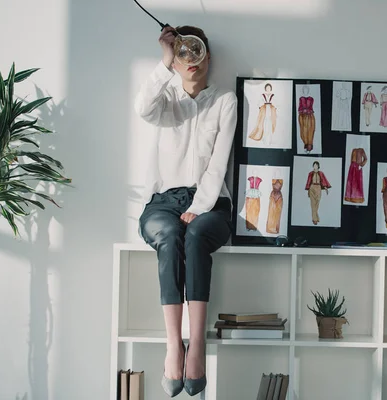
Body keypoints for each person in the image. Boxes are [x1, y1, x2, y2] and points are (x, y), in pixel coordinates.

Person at [134, 25, 237, 397]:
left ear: (207, 56)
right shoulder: (166, 101)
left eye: (196, 52)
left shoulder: (225, 100)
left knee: (193, 234)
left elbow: (218, 164)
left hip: (210, 202)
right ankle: (173, 345)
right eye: (182, 54)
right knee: (171, 234)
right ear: (175, 60)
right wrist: (164, 61)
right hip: (163, 202)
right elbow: (141, 107)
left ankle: (198, 346)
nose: (190, 60)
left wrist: (199, 206)